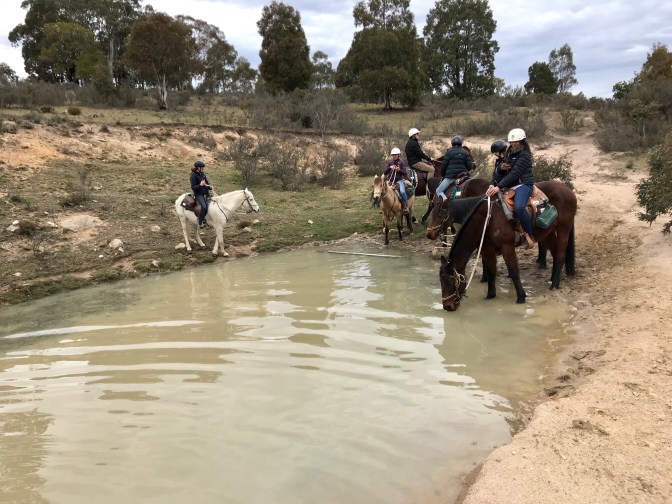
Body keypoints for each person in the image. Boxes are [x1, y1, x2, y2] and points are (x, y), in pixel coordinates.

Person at [485, 128, 536, 248]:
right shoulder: (509, 154)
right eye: (511, 142)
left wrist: (498, 187)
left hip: (523, 184)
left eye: (516, 142)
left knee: (519, 207)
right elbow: (501, 172)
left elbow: (514, 174)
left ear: (522, 141)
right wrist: (500, 169)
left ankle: (529, 235)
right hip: (511, 186)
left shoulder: (525, 156)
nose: (513, 144)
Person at [436, 135, 472, 201]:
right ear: (461, 143)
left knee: (438, 191)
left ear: (452, 143)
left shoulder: (448, 152)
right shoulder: (465, 153)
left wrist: (443, 175)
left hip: (451, 178)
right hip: (464, 177)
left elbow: (444, 166)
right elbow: (469, 167)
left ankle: (445, 203)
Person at [384, 147, 410, 214]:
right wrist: (390, 168)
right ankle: (382, 207)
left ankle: (405, 206)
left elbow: (404, 173)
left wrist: (399, 170)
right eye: (393, 155)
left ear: (399, 155)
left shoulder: (402, 162)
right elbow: (385, 172)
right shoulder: (389, 163)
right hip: (389, 180)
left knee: (402, 192)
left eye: (396, 154)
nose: (394, 156)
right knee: (383, 191)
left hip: (399, 181)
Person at [190, 159, 212, 228]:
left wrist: (210, 187)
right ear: (198, 168)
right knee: (204, 207)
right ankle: (200, 221)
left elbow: (207, 184)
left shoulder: (202, 174)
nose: (203, 169)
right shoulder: (193, 176)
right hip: (199, 195)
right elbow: (193, 187)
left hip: (206, 193)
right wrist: (200, 185)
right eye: (202, 167)